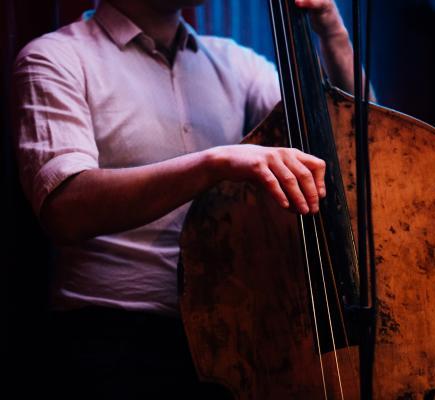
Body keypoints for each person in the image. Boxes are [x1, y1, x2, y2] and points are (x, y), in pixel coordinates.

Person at [12, 0, 357, 398]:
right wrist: (214, 163)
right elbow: (66, 209)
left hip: (238, 335)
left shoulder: (237, 63)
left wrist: (332, 33)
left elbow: (351, 144)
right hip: (114, 337)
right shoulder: (55, 58)